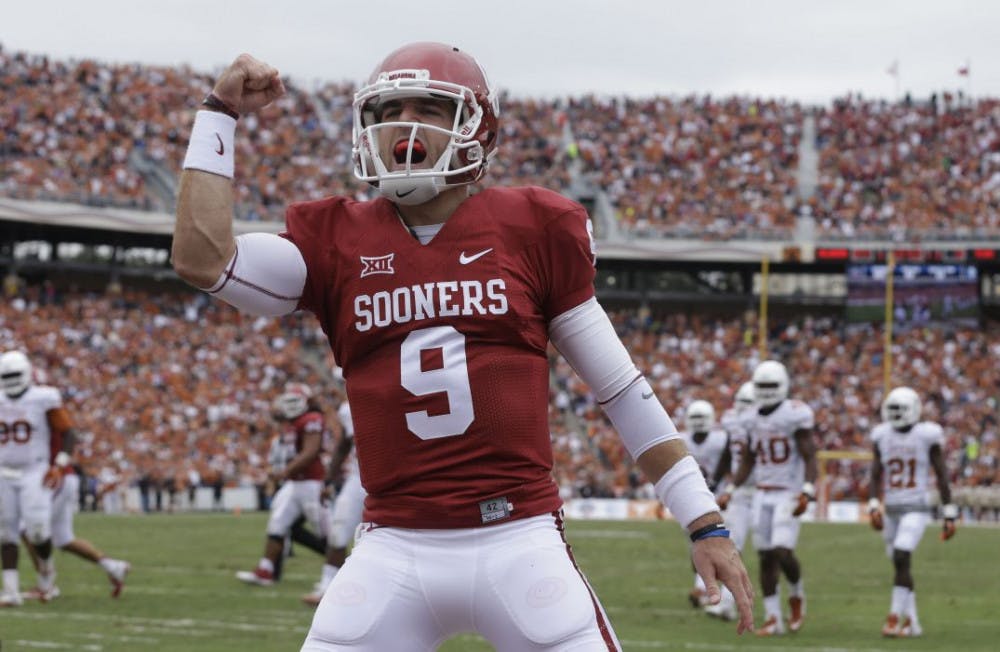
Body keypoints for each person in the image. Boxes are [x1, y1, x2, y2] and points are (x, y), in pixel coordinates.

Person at [173, 41, 754, 649]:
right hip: (393, 543)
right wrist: (219, 112)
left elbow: (621, 390)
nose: (405, 124)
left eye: (427, 108)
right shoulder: (333, 238)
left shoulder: (533, 227)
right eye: (390, 109)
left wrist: (704, 523)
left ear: (475, 126)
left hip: (519, 536)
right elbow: (202, 257)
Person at [718, 360, 817, 636]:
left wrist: (808, 489)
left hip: (789, 492)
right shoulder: (749, 417)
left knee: (782, 550)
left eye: (771, 385)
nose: (767, 391)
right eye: (762, 386)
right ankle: (773, 617)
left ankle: (796, 594)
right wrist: (731, 489)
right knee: (765, 556)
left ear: (784, 385)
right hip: (762, 491)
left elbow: (809, 453)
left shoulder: (794, 414)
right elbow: (748, 458)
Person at [867, 386, 956, 638]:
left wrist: (949, 512)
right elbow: (875, 474)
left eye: (900, 409)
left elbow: (941, 475)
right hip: (891, 509)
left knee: (902, 554)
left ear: (914, 410)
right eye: (892, 409)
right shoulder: (882, 434)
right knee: (899, 565)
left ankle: (894, 617)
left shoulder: (927, 434)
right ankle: (913, 623)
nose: (895, 414)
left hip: (916, 507)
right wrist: (873, 504)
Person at [0, 351, 73, 606]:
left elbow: (67, 432)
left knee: (39, 532)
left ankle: (47, 577)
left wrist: (59, 465)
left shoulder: (43, 397)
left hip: (35, 470)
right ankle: (10, 591)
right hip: (4, 471)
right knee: (6, 533)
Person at [236, 383, 328, 586]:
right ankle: (266, 570)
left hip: (312, 484)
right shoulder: (292, 423)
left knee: (325, 532)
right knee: (277, 524)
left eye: (294, 401)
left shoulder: (312, 419)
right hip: (294, 484)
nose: (289, 406)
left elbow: (310, 451)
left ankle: (338, 572)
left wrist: (284, 471)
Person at [21, 430, 130, 600]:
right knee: (64, 539)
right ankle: (113, 566)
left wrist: (58, 465)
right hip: (62, 477)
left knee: (29, 529)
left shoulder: (44, 408)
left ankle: (46, 585)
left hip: (55, 477)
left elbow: (68, 434)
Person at [302, 398, 367, 606]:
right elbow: (344, 445)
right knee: (339, 530)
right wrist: (328, 479)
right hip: (359, 478)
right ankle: (327, 585)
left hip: (396, 478)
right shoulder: (349, 408)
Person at [707, 381, 756, 622]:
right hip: (741, 492)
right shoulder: (732, 422)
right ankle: (727, 603)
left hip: (765, 490)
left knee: (772, 552)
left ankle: (777, 608)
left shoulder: (768, 423)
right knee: (733, 546)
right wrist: (715, 483)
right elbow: (728, 454)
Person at [678, 400, 730, 612]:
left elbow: (729, 463)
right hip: (692, 498)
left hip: (719, 498)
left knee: (720, 544)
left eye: (702, 418)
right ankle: (702, 588)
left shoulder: (721, 439)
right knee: (696, 544)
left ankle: (715, 592)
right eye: (695, 418)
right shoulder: (681, 440)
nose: (699, 423)